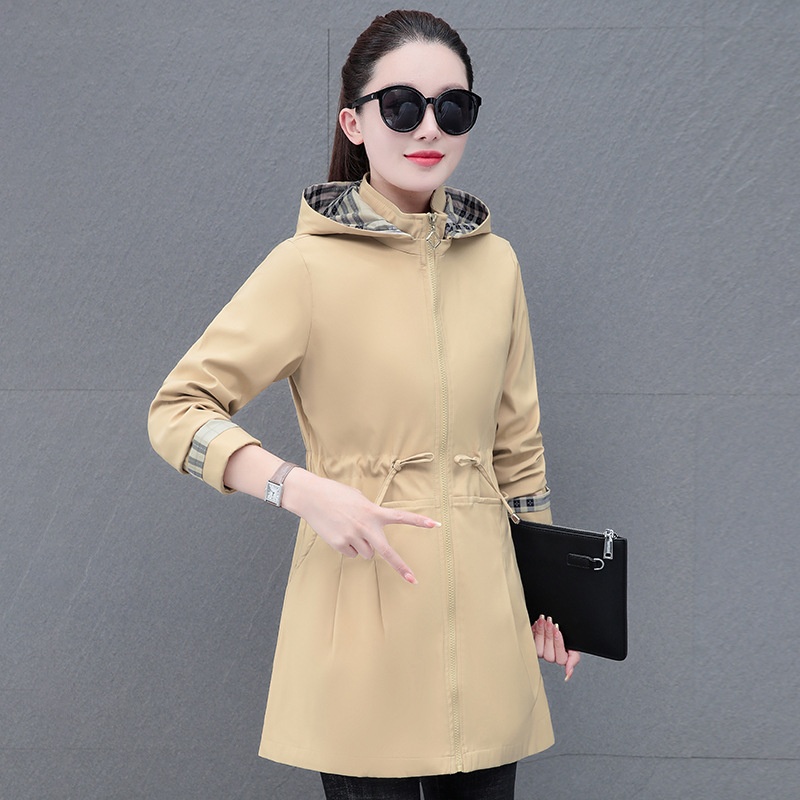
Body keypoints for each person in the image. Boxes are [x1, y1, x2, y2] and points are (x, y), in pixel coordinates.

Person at [148, 9, 579, 799]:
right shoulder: (305, 267)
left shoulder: (497, 265)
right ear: (355, 121)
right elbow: (178, 409)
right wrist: (297, 489)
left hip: (484, 617)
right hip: (363, 603)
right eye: (402, 106)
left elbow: (518, 449)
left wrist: (551, 592)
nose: (429, 127)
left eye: (453, 107)